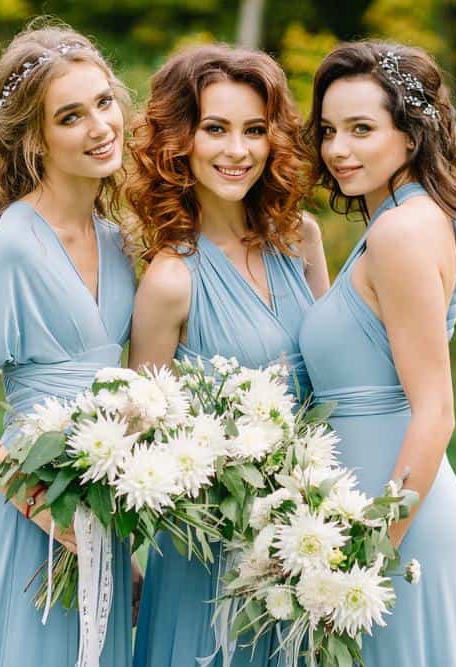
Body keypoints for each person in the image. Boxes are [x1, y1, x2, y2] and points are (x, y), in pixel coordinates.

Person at [0, 23, 135, 666]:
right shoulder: (17, 244)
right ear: (35, 139)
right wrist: (44, 512)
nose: (100, 126)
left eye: (104, 102)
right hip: (29, 519)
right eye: (70, 116)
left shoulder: (118, 238)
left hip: (105, 504)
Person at [126, 44, 329, 666]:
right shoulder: (170, 279)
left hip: (304, 536)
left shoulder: (301, 239)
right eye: (215, 129)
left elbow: (337, 374)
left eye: (254, 131)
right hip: (208, 553)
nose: (237, 150)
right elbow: (144, 438)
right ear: (180, 141)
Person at [298, 41, 456, 666]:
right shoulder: (397, 222)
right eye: (330, 130)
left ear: (411, 137)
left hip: (396, 536)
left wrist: (367, 556)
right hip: (369, 522)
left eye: (362, 129)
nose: (338, 149)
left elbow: (435, 409)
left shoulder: (402, 231)